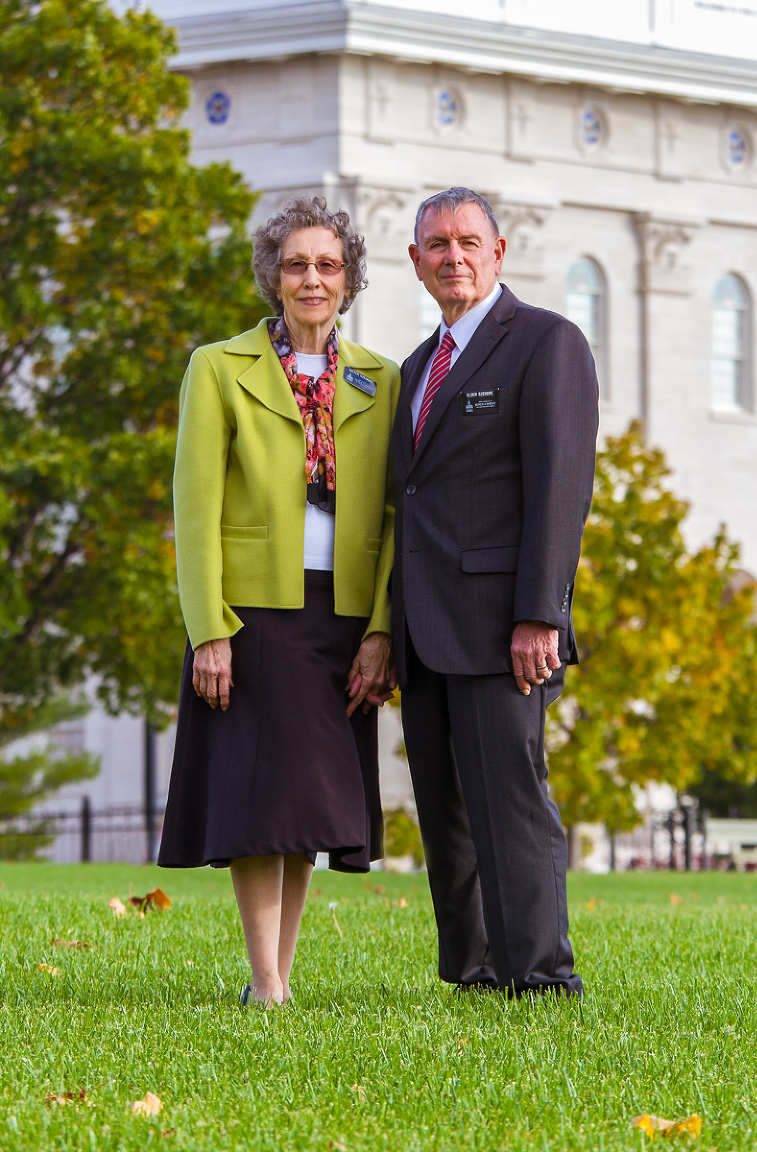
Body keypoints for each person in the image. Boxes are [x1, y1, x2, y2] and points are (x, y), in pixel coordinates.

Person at [159, 196, 399, 1007]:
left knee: (304, 809)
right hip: (252, 616)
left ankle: (279, 976)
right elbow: (194, 510)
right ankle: (266, 982)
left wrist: (381, 630)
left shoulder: (381, 377)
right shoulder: (218, 367)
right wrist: (209, 630)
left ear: (349, 279)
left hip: (342, 620)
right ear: (273, 275)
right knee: (260, 803)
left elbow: (398, 516)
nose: (312, 279)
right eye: (297, 264)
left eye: (328, 265)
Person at [391, 187, 598, 999]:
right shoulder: (414, 370)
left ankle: (541, 975)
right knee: (444, 809)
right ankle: (473, 969)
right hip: (423, 628)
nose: (454, 257)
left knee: (510, 803)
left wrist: (539, 612)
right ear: (416, 262)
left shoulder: (546, 343)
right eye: (437, 246)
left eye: (468, 242)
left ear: (498, 251)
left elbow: (560, 489)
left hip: (503, 626)